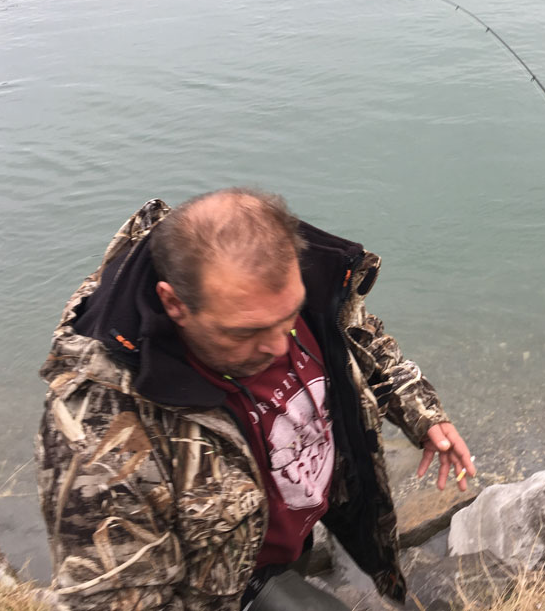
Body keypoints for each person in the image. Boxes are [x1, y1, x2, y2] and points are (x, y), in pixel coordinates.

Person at [35, 188, 476, 610]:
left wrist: (421, 413)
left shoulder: (284, 287)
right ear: (174, 304)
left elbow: (360, 337)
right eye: (246, 333)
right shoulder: (99, 430)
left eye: (289, 317)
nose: (280, 346)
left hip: (289, 538)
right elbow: (116, 598)